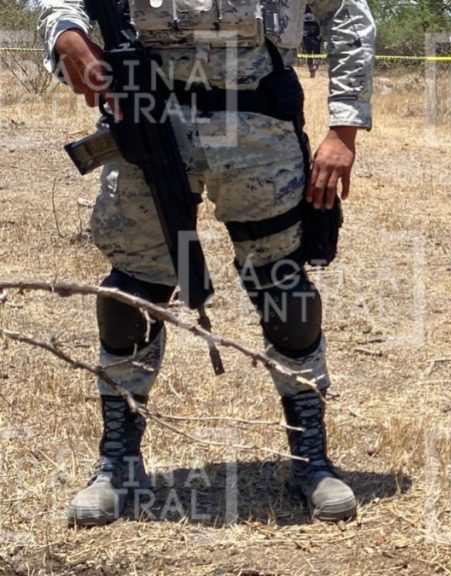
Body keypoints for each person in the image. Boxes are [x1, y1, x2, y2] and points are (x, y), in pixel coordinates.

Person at [38, 0, 376, 525]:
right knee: (132, 292)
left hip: (256, 125)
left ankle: (310, 458)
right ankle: (119, 463)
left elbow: (348, 13)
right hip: (145, 118)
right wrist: (64, 33)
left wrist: (345, 127)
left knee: (283, 288)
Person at [303, 7, 324, 78]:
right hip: (316, 39)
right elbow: (320, 30)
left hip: (307, 39)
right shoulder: (316, 18)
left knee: (309, 56)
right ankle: (314, 68)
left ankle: (311, 69)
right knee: (317, 55)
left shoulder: (303, 19)